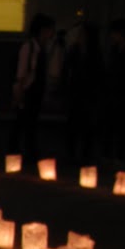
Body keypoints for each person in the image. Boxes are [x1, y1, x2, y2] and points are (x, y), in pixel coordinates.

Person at [9, 12, 56, 168]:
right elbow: (22, 73)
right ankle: (18, 153)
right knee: (23, 123)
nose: (51, 34)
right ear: (43, 30)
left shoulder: (41, 48)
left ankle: (24, 152)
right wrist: (19, 94)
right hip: (28, 90)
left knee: (29, 123)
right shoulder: (29, 47)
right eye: (50, 30)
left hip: (35, 90)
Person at [60, 19, 104, 169]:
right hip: (75, 93)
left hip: (89, 95)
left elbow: (99, 76)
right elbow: (66, 70)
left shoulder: (95, 53)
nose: (80, 36)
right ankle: (71, 154)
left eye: (82, 34)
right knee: (72, 125)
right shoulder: (74, 51)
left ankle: (86, 155)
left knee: (88, 127)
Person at [102, 17, 125, 166]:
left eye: (114, 33)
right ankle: (108, 154)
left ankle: (119, 155)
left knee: (122, 125)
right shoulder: (114, 50)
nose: (112, 37)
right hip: (112, 91)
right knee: (109, 124)